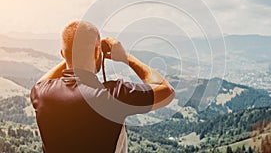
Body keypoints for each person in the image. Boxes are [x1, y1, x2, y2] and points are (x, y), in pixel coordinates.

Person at [30, 21, 175, 153]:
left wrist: (74, 53)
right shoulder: (113, 96)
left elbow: (41, 82)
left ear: (62, 54)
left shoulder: (42, 94)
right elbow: (166, 91)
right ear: (96, 53)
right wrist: (125, 57)